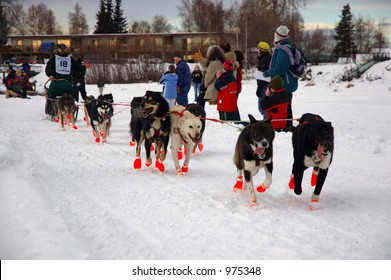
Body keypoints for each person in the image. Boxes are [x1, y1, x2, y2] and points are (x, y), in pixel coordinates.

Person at [263, 25, 298, 131]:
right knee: (286, 107)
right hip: (287, 83)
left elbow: (280, 69)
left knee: (284, 107)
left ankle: (286, 127)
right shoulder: (285, 47)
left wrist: (268, 73)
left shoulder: (283, 50)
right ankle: (287, 126)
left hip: (284, 84)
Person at [256, 41, 272, 119]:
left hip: (264, 86)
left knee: (263, 107)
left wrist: (259, 87)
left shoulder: (265, 60)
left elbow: (263, 77)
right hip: (266, 85)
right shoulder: (267, 58)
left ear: (261, 50)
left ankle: (266, 122)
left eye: (258, 49)